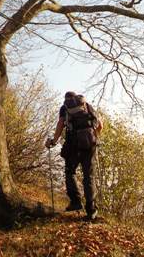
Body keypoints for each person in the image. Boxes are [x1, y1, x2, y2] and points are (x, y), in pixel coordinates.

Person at [46, 91, 103, 221]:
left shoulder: (65, 108)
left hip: (73, 145)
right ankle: (91, 210)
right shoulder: (87, 106)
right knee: (89, 176)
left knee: (70, 171)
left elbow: (60, 124)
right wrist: (95, 137)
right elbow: (100, 125)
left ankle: (76, 201)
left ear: (66, 99)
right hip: (90, 145)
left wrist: (54, 141)